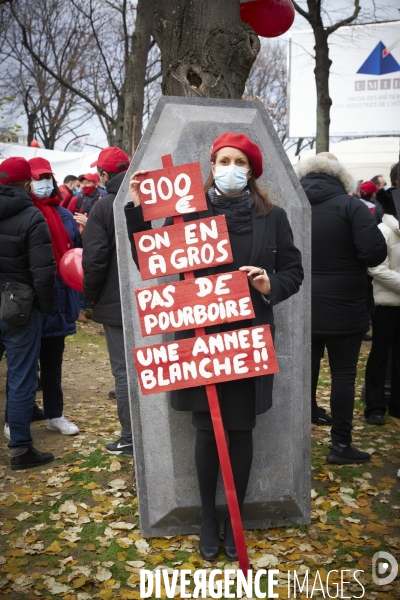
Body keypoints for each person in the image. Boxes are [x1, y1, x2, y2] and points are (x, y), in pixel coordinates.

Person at [125, 132, 304, 560]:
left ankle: (234, 514)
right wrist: (137, 208)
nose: (230, 168)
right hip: (198, 338)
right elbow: (151, 259)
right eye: (223, 160)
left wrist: (269, 284)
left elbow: (293, 272)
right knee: (207, 431)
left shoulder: (274, 217)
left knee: (241, 431)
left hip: (247, 340)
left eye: (239, 162)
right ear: (211, 165)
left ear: (252, 170)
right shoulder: (188, 213)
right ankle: (209, 515)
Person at [297, 153, 387, 465]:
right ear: (340, 176)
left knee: (303, 374)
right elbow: (374, 252)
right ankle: (340, 445)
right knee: (343, 376)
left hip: (301, 303)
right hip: (345, 306)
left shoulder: (292, 204)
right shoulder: (352, 207)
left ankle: (297, 446)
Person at [0, 157, 56, 469]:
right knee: (21, 378)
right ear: (26, 184)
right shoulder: (32, 218)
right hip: (20, 307)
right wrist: (47, 309)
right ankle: (20, 449)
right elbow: (43, 272)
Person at [82, 146, 132, 455]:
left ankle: (130, 436)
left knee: (125, 372)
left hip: (116, 306)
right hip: (156, 303)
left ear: (104, 176)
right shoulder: (150, 200)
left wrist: (91, 298)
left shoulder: (103, 208)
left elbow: (95, 261)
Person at [27, 157, 80, 436]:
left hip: (59, 300)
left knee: (52, 363)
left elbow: (76, 253)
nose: (43, 183)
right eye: (38, 178)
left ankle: (54, 414)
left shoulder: (64, 215)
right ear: (28, 182)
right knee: (23, 367)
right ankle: (18, 418)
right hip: (31, 302)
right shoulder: (22, 214)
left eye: (47, 177)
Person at [364, 187, 400, 425]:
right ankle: (375, 406)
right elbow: (375, 267)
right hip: (386, 304)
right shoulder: (383, 231)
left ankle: (396, 404)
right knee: (380, 353)